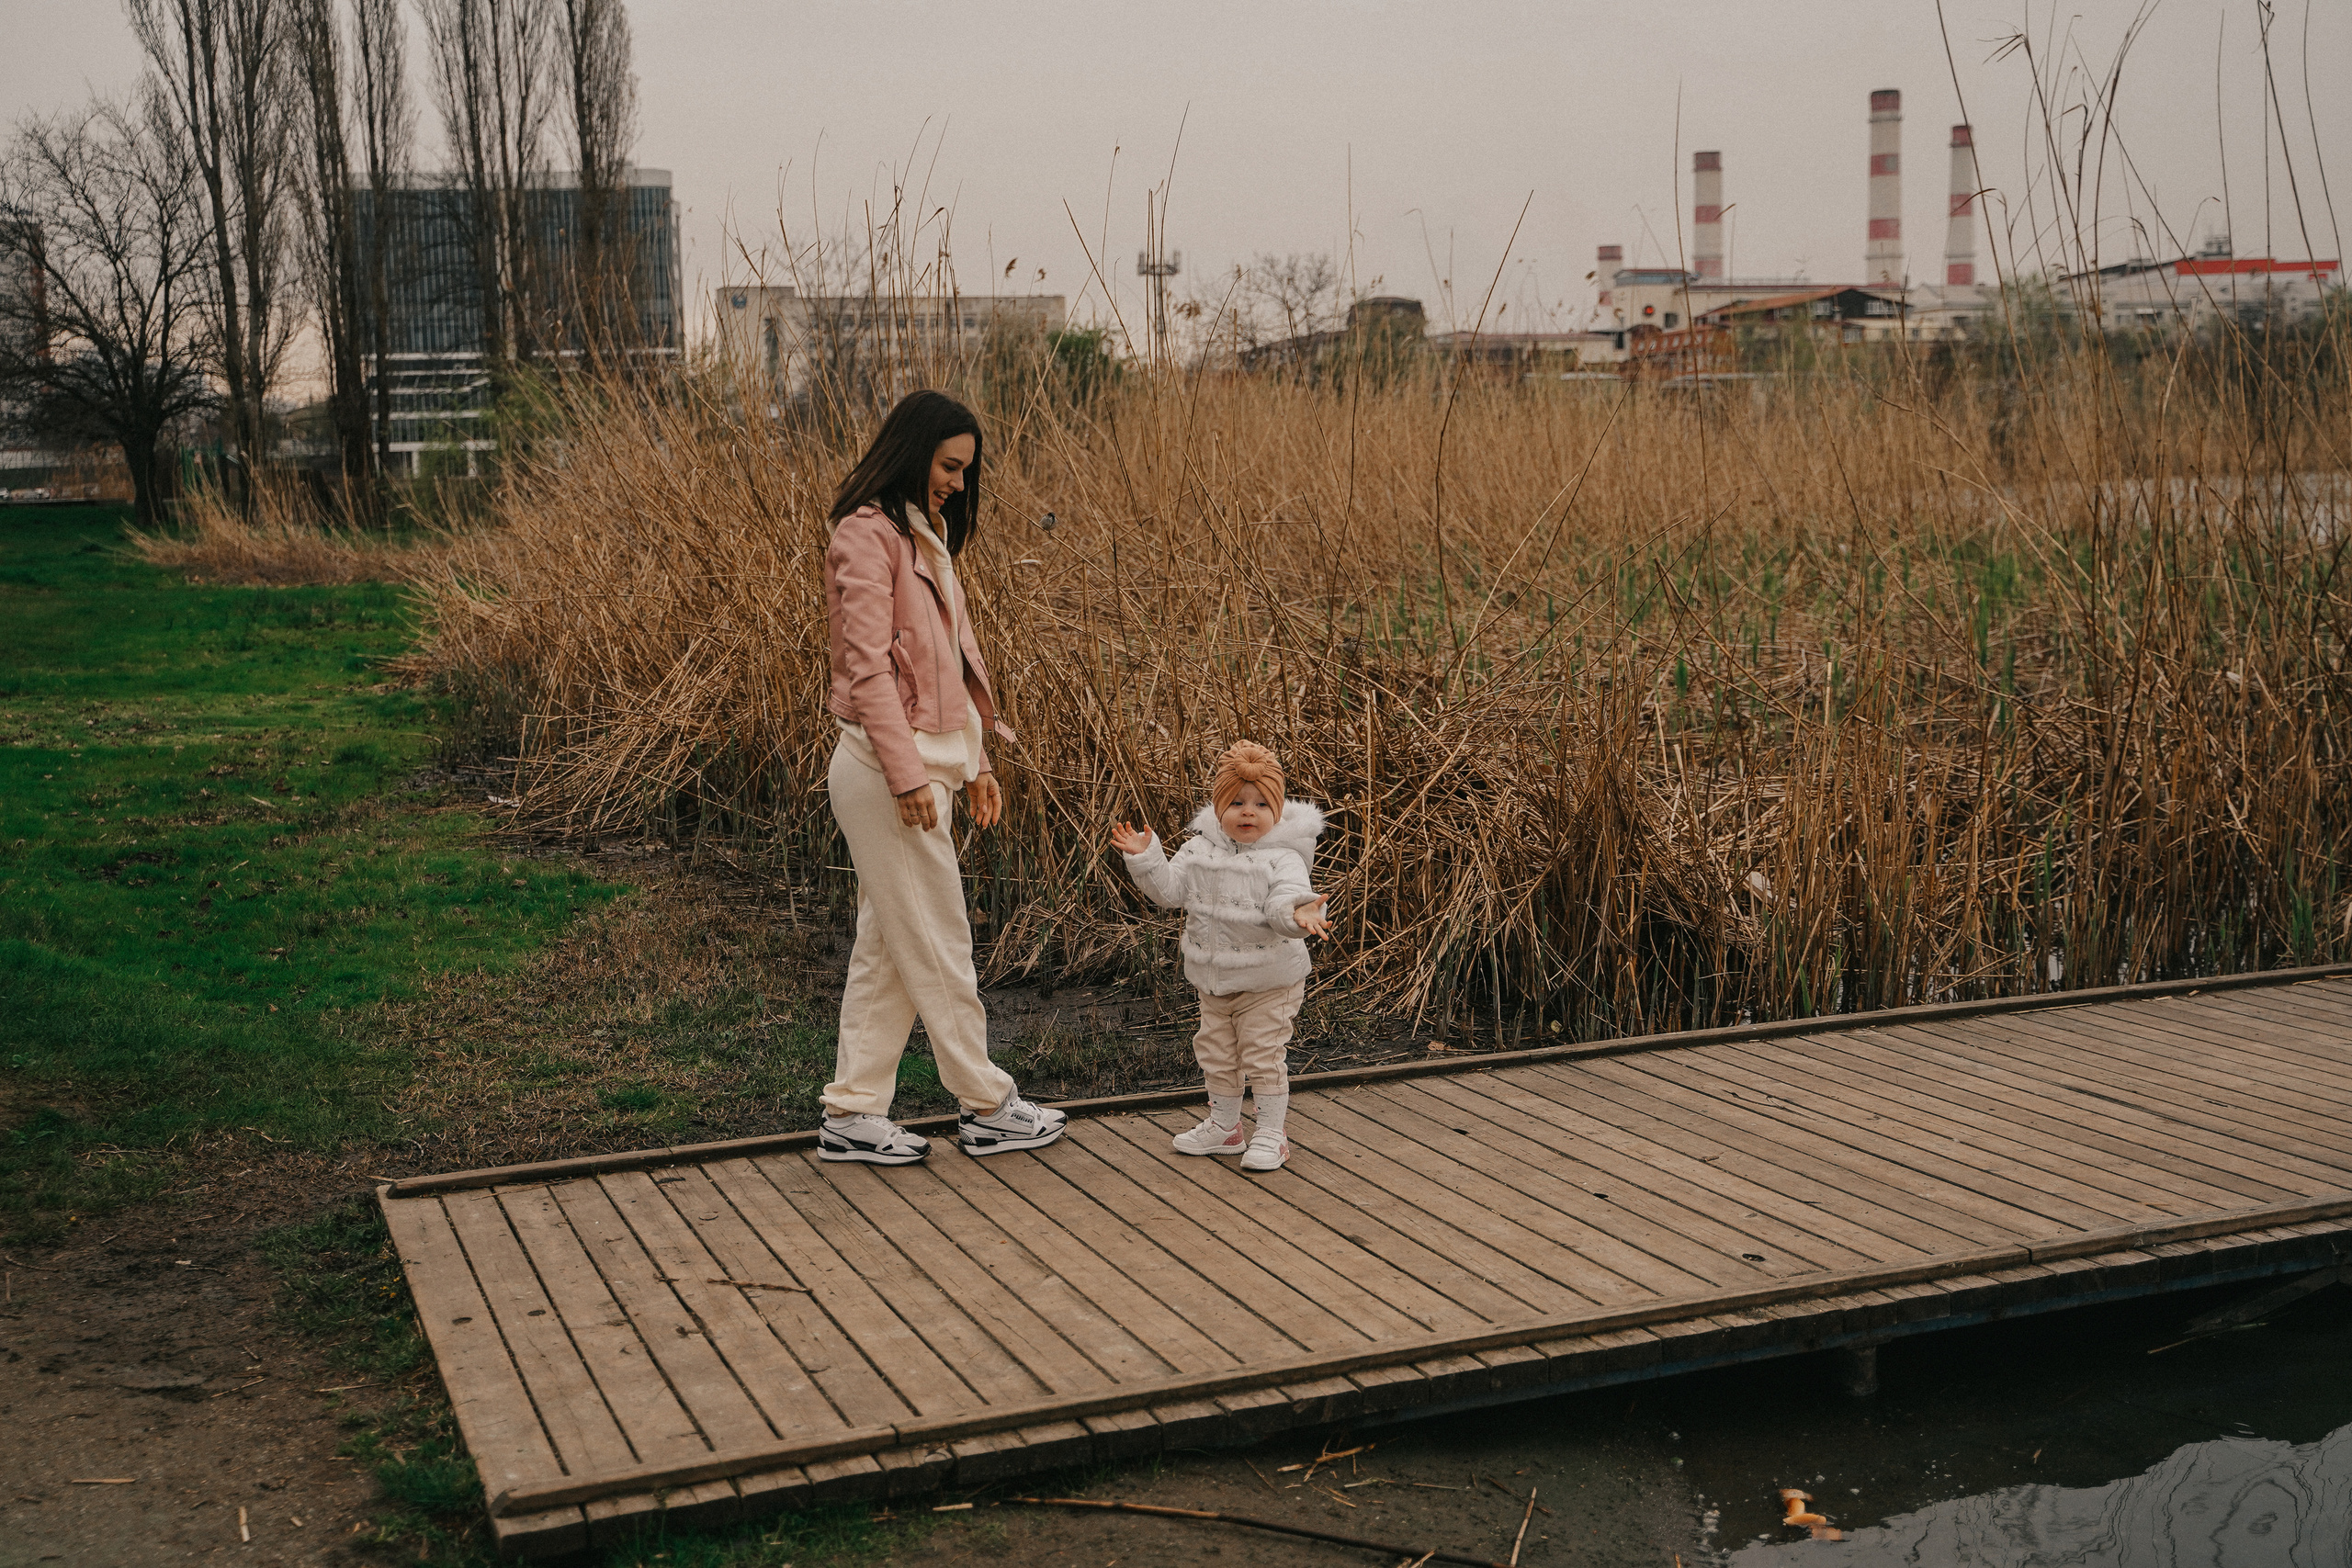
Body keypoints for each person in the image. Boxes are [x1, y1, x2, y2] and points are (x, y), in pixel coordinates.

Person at [818, 389, 1065, 1165]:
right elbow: (867, 671)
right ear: (912, 451)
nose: (959, 481)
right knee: (941, 939)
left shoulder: (925, 538)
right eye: (949, 464)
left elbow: (953, 663)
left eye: (967, 469)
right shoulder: (867, 537)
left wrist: (979, 760)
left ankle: (853, 1113)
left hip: (931, 766)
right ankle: (987, 1103)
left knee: (890, 948)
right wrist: (904, 776)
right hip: (885, 769)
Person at [1109, 740, 1331, 1172]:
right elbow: (1170, 893)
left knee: (1263, 1053)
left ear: (1279, 811)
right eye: (1237, 802)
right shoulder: (1198, 850)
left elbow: (1283, 901)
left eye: (1262, 803)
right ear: (1218, 806)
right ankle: (1226, 1127)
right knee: (1215, 1051)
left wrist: (1298, 911)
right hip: (1214, 980)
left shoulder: (1284, 857)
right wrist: (1146, 860)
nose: (1249, 812)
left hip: (1269, 980)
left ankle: (1272, 1133)